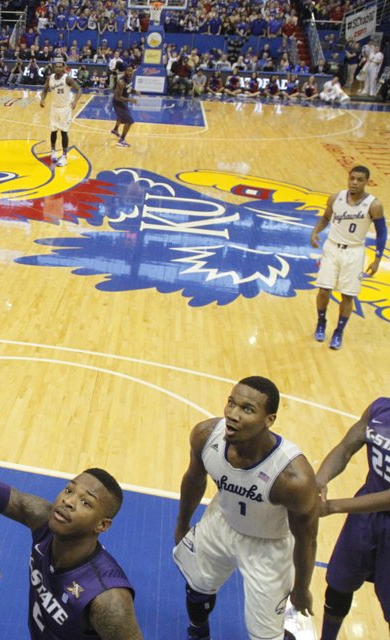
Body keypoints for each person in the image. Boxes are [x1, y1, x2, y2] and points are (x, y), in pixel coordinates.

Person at [0, 435, 143, 638]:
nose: (68, 501)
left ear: (102, 525)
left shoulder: (107, 600)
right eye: (69, 490)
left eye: (85, 502)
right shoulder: (43, 520)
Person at [173, 376, 319, 640]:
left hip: (269, 546)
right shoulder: (206, 436)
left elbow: (307, 538)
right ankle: (198, 632)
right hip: (221, 522)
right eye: (231, 403)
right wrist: (182, 524)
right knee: (197, 586)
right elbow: (194, 478)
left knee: (265, 635)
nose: (232, 414)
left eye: (247, 409)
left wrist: (301, 587)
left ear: (269, 419)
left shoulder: (292, 479)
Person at [315, 397, 390, 639]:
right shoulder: (381, 408)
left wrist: (335, 506)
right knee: (338, 585)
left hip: (377, 511)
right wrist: (320, 481)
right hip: (366, 517)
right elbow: (346, 447)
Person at [310, 165, 385, 349]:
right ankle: (321, 322)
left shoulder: (374, 205)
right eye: (352, 178)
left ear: (367, 182)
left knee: (347, 295)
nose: (354, 183)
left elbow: (382, 233)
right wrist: (315, 232)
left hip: (354, 251)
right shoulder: (336, 197)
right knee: (323, 290)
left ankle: (339, 331)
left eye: (359, 180)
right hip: (332, 247)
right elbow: (326, 217)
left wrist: (377, 259)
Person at [39, 58, 81, 167]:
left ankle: (64, 156)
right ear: (54, 68)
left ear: (63, 68)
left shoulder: (67, 79)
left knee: (63, 132)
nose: (58, 68)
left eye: (60, 66)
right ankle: (53, 151)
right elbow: (44, 90)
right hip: (54, 107)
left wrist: (75, 101)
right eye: (56, 66)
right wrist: (42, 99)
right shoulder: (50, 78)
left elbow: (79, 89)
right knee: (53, 131)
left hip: (65, 108)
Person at [110, 65, 136, 148]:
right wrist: (130, 100)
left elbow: (128, 88)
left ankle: (115, 130)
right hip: (118, 103)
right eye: (127, 71)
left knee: (121, 117)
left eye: (131, 71)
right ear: (125, 71)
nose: (129, 72)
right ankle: (121, 140)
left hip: (123, 102)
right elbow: (118, 97)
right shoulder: (121, 82)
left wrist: (135, 91)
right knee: (129, 121)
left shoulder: (130, 78)